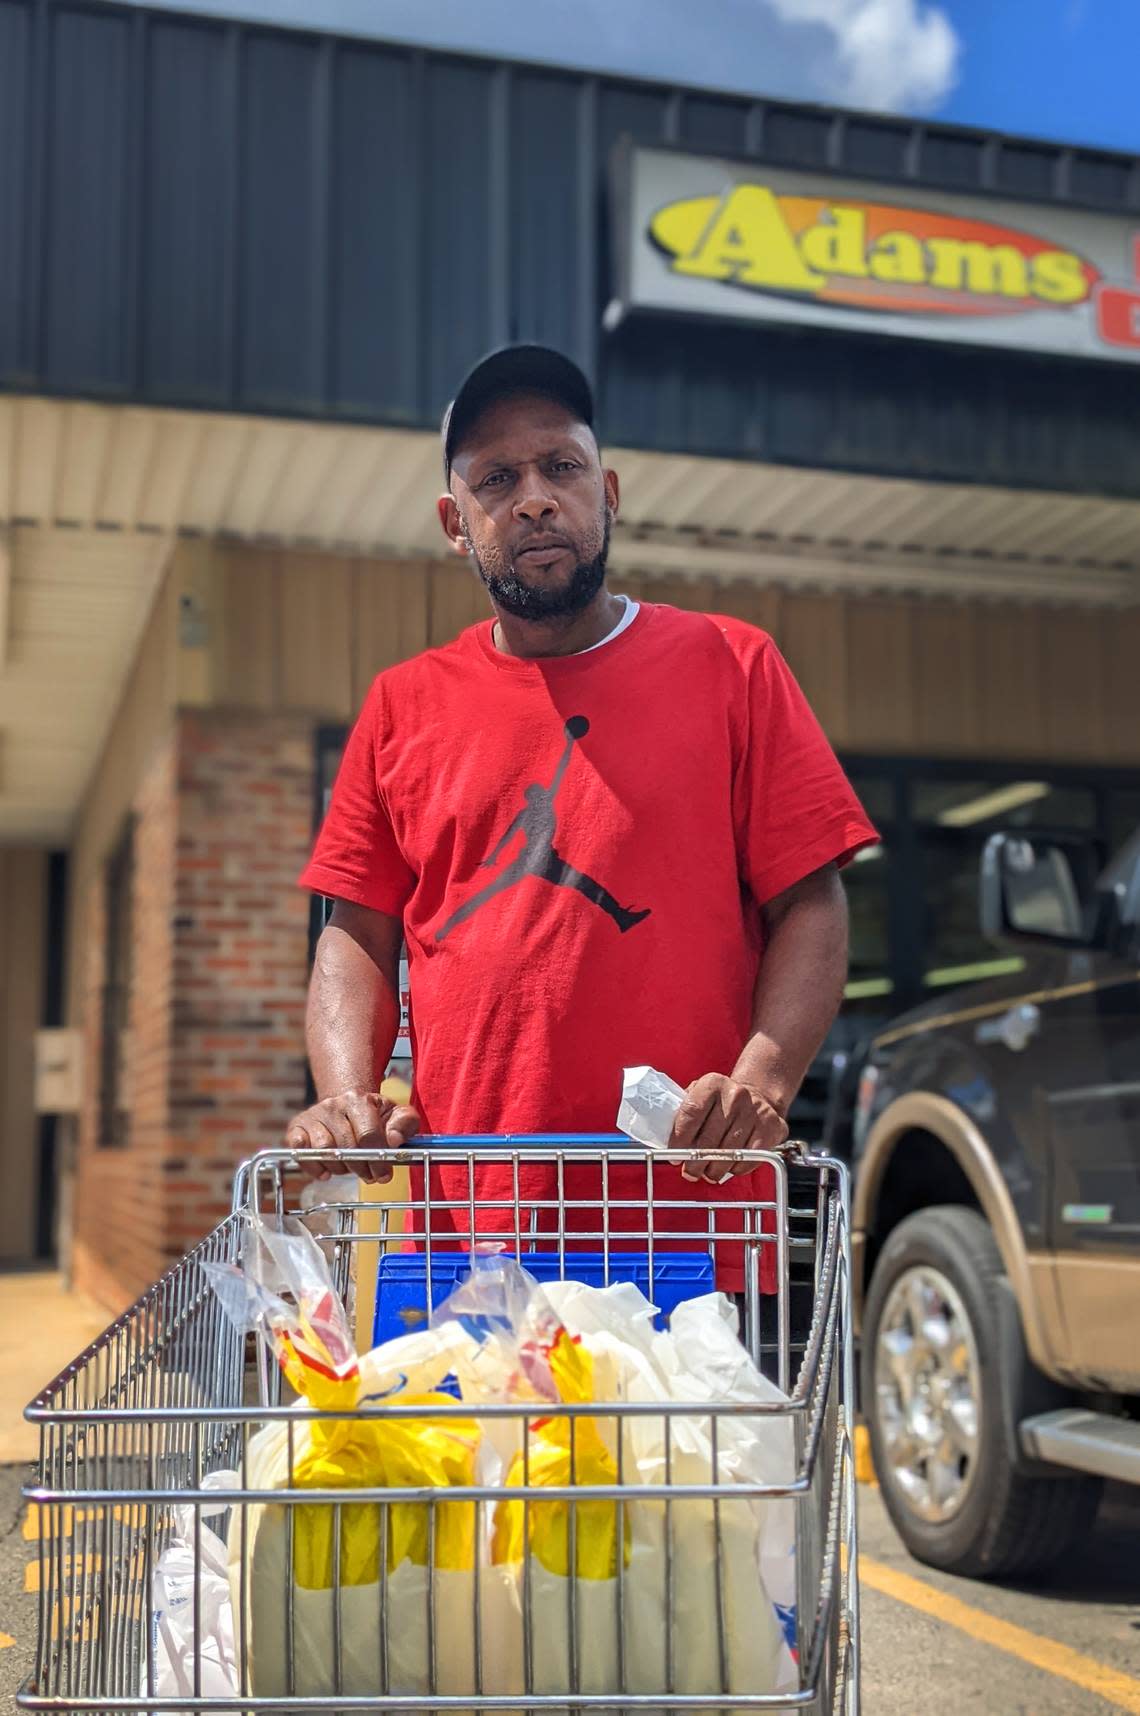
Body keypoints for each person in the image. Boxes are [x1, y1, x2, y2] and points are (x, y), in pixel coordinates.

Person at [288, 343, 878, 1300]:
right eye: (497, 478)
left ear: (606, 492)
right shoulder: (404, 704)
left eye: (560, 468)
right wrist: (349, 1095)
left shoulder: (733, 666)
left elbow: (811, 901)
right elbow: (355, 932)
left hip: (690, 1224)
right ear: (455, 521)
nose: (534, 498)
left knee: (679, 1458)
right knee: (453, 1456)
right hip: (461, 1234)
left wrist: (761, 1084)